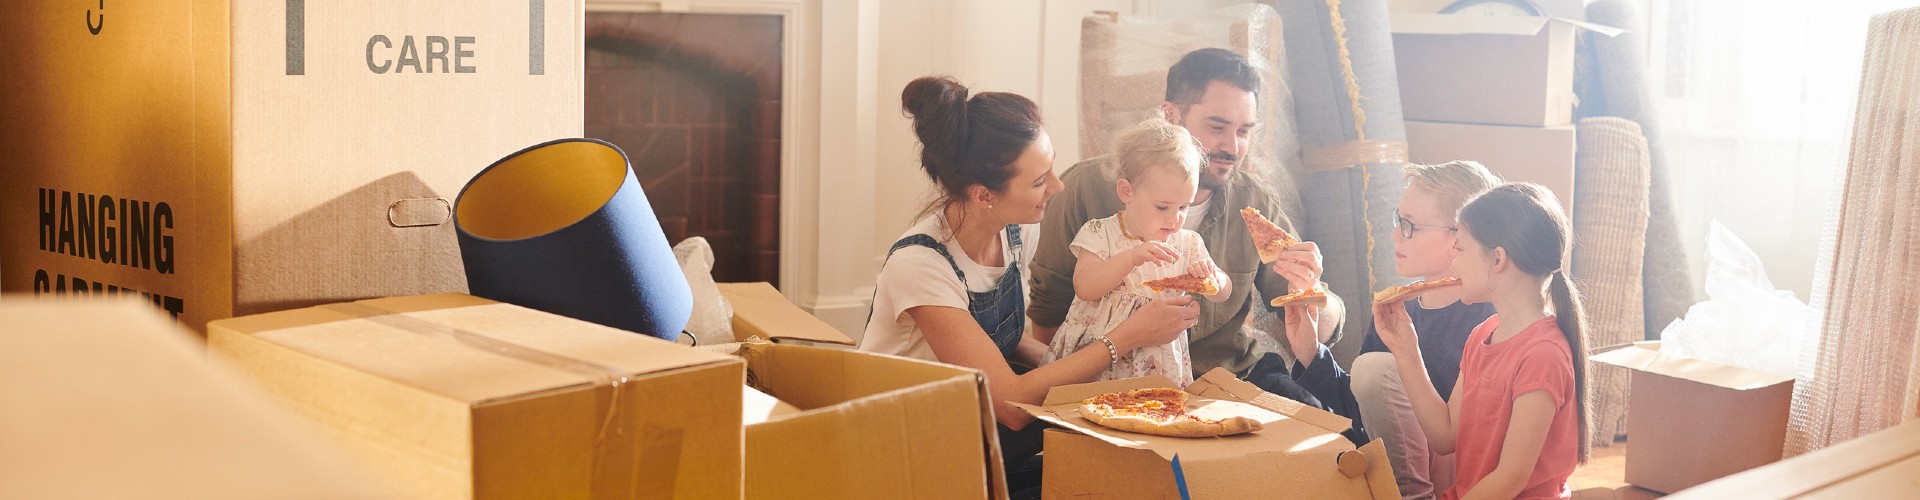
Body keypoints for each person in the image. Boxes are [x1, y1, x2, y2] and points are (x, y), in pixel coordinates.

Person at [859, 75, 1197, 496]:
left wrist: (1086, 358)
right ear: (984, 195)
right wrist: (1123, 340)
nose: (1057, 187)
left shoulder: (1015, 233)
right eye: (1039, 181)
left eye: (1051, 169)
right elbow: (1013, 405)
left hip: (973, 422)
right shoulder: (921, 266)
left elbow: (1005, 341)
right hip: (907, 449)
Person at [1029, 48, 1339, 382]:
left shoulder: (1254, 204)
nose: (1233, 148)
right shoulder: (1083, 189)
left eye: (1244, 131)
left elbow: (1320, 326)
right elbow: (1048, 317)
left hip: (1222, 381)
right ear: (1170, 116)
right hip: (1104, 381)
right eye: (1218, 127)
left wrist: (1310, 286)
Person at [1256, 161, 1502, 498]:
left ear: (1460, 236)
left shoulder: (1491, 317)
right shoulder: (1397, 307)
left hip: (1468, 478)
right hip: (1395, 469)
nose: (1394, 233)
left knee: (1374, 367)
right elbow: (1364, 414)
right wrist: (1312, 353)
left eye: (1409, 225)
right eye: (1396, 219)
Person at [1372, 183, 1592, 499]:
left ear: (1497, 259)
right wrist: (1406, 348)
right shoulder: (1482, 335)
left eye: (1460, 248)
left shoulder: (1543, 355)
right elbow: (1444, 435)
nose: (1454, 261)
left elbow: (1511, 478)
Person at [1046, 118, 1232, 387]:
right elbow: (1085, 287)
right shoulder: (1101, 233)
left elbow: (1224, 292)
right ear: (1126, 191)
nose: (1175, 219)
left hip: (1158, 365)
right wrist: (1131, 257)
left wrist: (1214, 278)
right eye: (1162, 207)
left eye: (1184, 207)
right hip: (1098, 362)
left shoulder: (1188, 243)